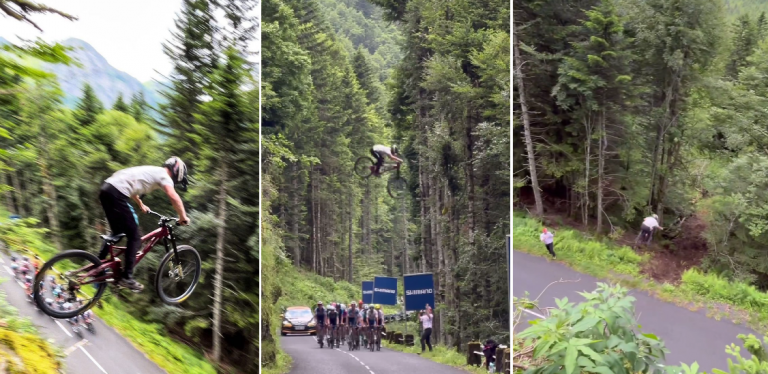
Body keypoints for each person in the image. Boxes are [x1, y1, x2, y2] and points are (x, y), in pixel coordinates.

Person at [99, 157, 191, 291]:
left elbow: (132, 185)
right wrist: (183, 216)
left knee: (117, 232)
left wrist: (141, 204)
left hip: (107, 189)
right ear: (178, 172)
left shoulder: (153, 171)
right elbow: (173, 196)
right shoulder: (164, 176)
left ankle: (97, 264)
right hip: (117, 194)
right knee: (135, 237)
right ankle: (127, 278)